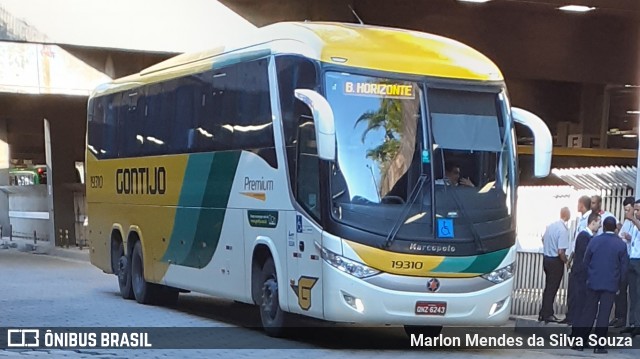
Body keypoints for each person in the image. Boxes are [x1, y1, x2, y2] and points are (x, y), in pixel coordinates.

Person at [572, 217, 628, 353]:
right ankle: (599, 345)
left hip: (593, 282)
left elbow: (585, 262)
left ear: (603, 226)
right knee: (604, 315)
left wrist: (589, 277)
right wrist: (621, 285)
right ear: (615, 228)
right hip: (610, 284)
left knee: (589, 312)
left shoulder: (594, 241)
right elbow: (624, 268)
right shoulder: (621, 244)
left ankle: (580, 342)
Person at [566, 211, 601, 326]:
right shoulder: (584, 236)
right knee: (580, 302)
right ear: (593, 222)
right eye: (599, 222)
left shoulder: (587, 236)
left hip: (582, 274)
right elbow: (585, 257)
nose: (600, 225)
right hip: (581, 275)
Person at [539, 207, 571, 323]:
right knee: (552, 288)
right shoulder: (563, 230)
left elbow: (543, 239)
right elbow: (561, 251)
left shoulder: (551, 226)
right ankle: (548, 314)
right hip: (555, 261)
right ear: (567, 216)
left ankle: (543, 312)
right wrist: (566, 262)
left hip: (546, 259)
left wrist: (549, 247)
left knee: (548, 287)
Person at [610, 196, 635, 328]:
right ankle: (618, 315)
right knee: (619, 288)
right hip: (622, 257)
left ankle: (625, 319)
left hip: (631, 257)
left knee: (628, 290)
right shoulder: (626, 222)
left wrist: (629, 238)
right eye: (625, 210)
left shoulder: (635, 223)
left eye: (628, 210)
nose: (627, 213)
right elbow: (621, 236)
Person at [620, 199, 640, 336]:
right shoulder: (633, 225)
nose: (636, 212)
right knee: (632, 293)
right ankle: (632, 322)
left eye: (638, 210)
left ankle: (638, 324)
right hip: (632, 258)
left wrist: (633, 218)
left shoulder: (635, 222)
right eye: (636, 209)